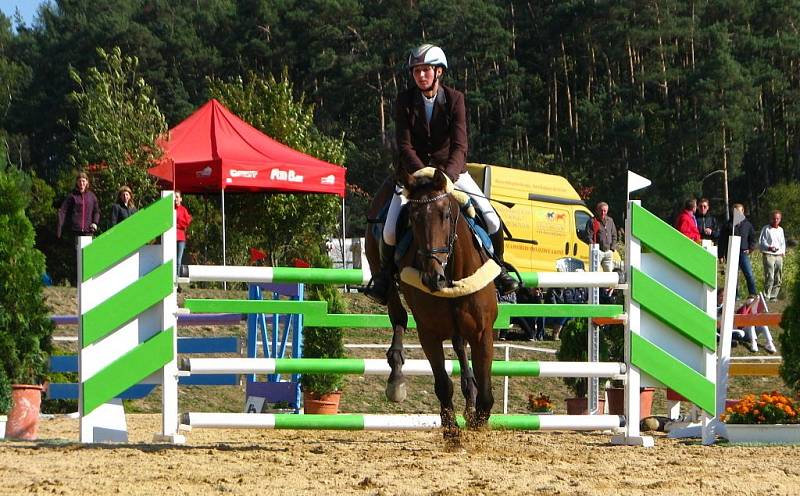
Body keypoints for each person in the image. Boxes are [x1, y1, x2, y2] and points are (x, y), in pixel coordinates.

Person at [365, 44, 518, 305]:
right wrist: (419, 173)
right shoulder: (404, 101)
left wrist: (445, 175)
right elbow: (404, 145)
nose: (420, 75)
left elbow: (460, 145)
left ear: (438, 72)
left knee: (491, 220)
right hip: (415, 176)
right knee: (389, 230)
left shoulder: (455, 99)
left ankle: (500, 269)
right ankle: (384, 279)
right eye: (416, 71)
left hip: (452, 173)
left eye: (425, 70)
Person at [720, 203, 758, 297]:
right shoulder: (728, 225)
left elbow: (753, 238)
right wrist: (721, 255)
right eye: (735, 212)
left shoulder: (747, 225)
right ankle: (735, 295)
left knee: (749, 274)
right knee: (732, 276)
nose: (737, 214)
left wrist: (750, 249)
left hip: (743, 253)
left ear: (743, 211)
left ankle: (752, 294)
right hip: (731, 252)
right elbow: (722, 240)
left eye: (739, 212)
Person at [57, 172, 100, 239]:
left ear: (87, 182)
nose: (81, 183)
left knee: (85, 250)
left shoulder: (92, 196)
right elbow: (63, 211)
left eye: (83, 181)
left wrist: (95, 222)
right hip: (74, 231)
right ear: (77, 182)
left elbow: (96, 211)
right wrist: (60, 229)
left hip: (88, 231)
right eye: (79, 181)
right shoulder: (72, 196)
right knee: (77, 249)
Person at [759, 210, 785, 301]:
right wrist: (769, 247)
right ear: (771, 219)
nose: (775, 220)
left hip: (779, 255)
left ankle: (774, 295)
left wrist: (783, 253)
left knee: (778, 276)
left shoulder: (781, 230)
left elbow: (782, 243)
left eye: (777, 218)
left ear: (780, 219)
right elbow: (762, 242)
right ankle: (767, 295)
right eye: (774, 218)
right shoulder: (766, 229)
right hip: (769, 254)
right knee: (770, 275)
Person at [584, 202, 617, 272]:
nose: (603, 213)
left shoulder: (610, 221)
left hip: (608, 252)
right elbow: (588, 236)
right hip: (597, 251)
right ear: (597, 211)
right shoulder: (592, 221)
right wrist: (594, 248)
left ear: (607, 211)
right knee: (595, 274)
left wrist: (612, 248)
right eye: (601, 210)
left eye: (605, 211)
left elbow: (614, 235)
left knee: (609, 274)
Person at [175, 191, 192, 274]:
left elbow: (187, 222)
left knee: (178, 260)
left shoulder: (183, 210)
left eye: (177, 197)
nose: (176, 199)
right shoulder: (170, 208)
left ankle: (177, 280)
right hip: (171, 237)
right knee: (172, 259)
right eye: (174, 197)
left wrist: (177, 224)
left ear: (181, 199)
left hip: (181, 238)